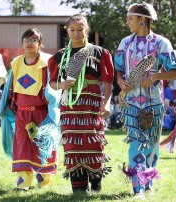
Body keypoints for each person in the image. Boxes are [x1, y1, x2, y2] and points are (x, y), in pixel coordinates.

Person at [114, 2, 176, 199]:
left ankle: (148, 181)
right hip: (131, 103)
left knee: (152, 145)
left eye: (130, 18)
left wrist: (154, 77)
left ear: (142, 20)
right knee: (135, 144)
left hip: (153, 103)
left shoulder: (161, 43)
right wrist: (120, 80)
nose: (128, 22)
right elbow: (118, 67)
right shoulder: (125, 43)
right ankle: (138, 188)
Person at [48, 14, 114, 193]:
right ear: (67, 31)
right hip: (69, 106)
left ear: (87, 30)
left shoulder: (99, 53)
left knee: (93, 142)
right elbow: (52, 82)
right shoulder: (60, 56)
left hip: (92, 105)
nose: (76, 33)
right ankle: (78, 187)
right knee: (73, 144)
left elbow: (107, 81)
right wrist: (60, 85)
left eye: (80, 29)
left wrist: (106, 103)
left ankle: (96, 184)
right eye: (72, 30)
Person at [0, 28, 61, 190]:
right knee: (22, 145)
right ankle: (23, 181)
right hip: (22, 113)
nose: (30, 43)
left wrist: (53, 113)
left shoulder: (48, 62)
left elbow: (54, 87)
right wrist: (6, 107)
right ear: (22, 43)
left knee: (42, 143)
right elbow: (9, 88)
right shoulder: (16, 63)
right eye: (27, 40)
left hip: (42, 113)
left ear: (40, 44)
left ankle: (43, 180)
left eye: (34, 40)